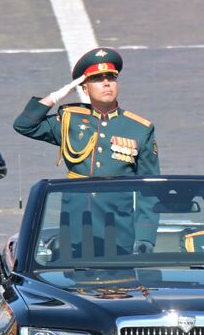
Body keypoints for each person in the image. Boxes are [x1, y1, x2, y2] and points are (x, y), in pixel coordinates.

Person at [14, 47, 159, 253]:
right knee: (74, 284)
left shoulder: (139, 128)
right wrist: (57, 96)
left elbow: (150, 189)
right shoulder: (69, 119)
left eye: (111, 77)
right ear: (84, 88)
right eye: (98, 79)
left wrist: (146, 236)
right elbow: (24, 125)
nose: (107, 83)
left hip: (117, 230)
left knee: (119, 284)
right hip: (74, 228)